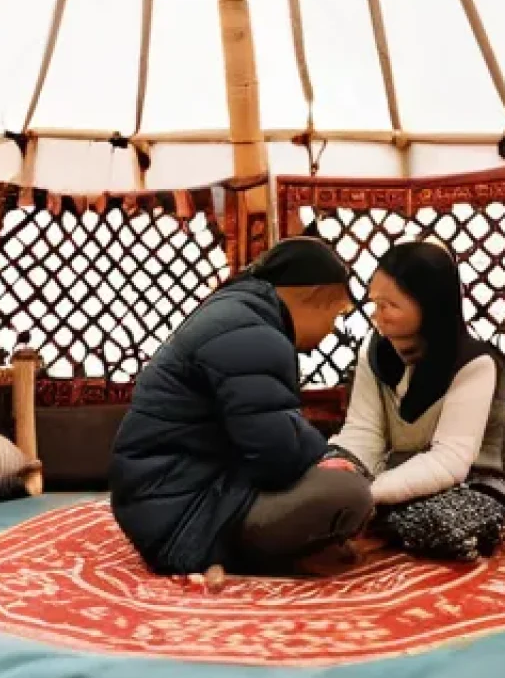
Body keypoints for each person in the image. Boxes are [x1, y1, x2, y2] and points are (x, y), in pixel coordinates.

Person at [110, 238, 375, 576]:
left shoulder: (241, 314)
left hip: (168, 495)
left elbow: (268, 424)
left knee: (334, 468)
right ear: (313, 296)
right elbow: (275, 457)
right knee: (350, 494)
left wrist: (320, 457)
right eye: (336, 315)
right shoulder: (255, 334)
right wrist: (320, 464)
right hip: (183, 520)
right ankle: (253, 555)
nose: (332, 329)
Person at [324, 240, 505, 561]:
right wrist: (344, 474)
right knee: (318, 485)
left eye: (389, 305)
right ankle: (373, 522)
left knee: (438, 522)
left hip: (467, 484)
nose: (377, 316)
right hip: (387, 476)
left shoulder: (475, 364)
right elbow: (363, 432)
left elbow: (450, 459)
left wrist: (369, 495)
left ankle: (372, 523)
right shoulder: (374, 351)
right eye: (375, 303)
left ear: (429, 306)